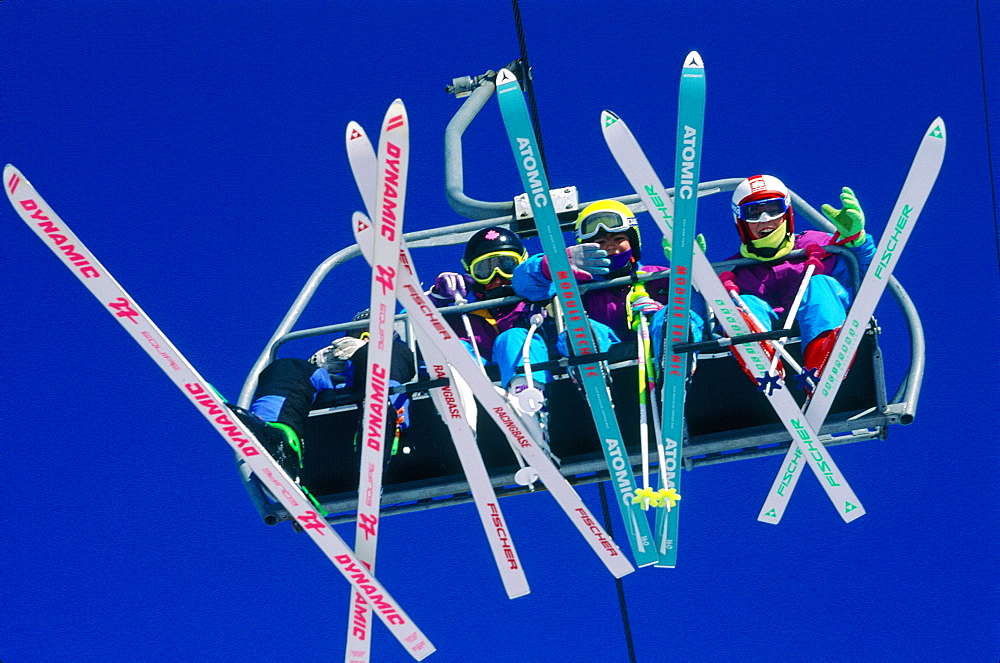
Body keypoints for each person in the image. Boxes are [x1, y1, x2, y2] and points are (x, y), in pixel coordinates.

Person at [720, 174, 875, 391]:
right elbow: (706, 316)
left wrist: (857, 241)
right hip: (769, 333)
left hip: (823, 317)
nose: (765, 219)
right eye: (754, 213)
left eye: (773, 209)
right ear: (741, 221)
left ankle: (826, 359)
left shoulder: (819, 244)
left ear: (787, 213)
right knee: (742, 303)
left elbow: (869, 277)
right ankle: (758, 357)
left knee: (820, 284)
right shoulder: (732, 270)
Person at [230, 310, 416, 486]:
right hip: (337, 409)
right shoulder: (327, 365)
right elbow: (307, 384)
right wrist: (328, 367)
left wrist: (437, 298)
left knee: (386, 353)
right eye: (359, 332)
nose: (365, 336)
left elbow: (437, 361)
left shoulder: (404, 354)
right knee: (288, 367)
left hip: (386, 399)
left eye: (371, 331)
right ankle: (279, 441)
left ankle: (384, 420)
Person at [511, 199, 704, 366]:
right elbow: (523, 285)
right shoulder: (575, 285)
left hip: (652, 346)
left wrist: (691, 274)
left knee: (673, 315)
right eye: (600, 243)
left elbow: (695, 308)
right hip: (605, 348)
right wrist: (552, 265)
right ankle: (591, 372)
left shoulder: (658, 276)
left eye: (619, 238)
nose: (610, 246)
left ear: (634, 243)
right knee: (584, 328)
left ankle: (676, 359)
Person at [428, 226, 550, 398]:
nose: (497, 277)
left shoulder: (540, 299)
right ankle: (460, 407)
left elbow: (551, 284)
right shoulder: (464, 317)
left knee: (513, 337)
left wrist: (543, 270)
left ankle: (528, 402)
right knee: (453, 347)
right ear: (471, 273)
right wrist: (436, 298)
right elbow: (411, 326)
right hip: (481, 386)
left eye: (507, 266)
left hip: (538, 365)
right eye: (484, 270)